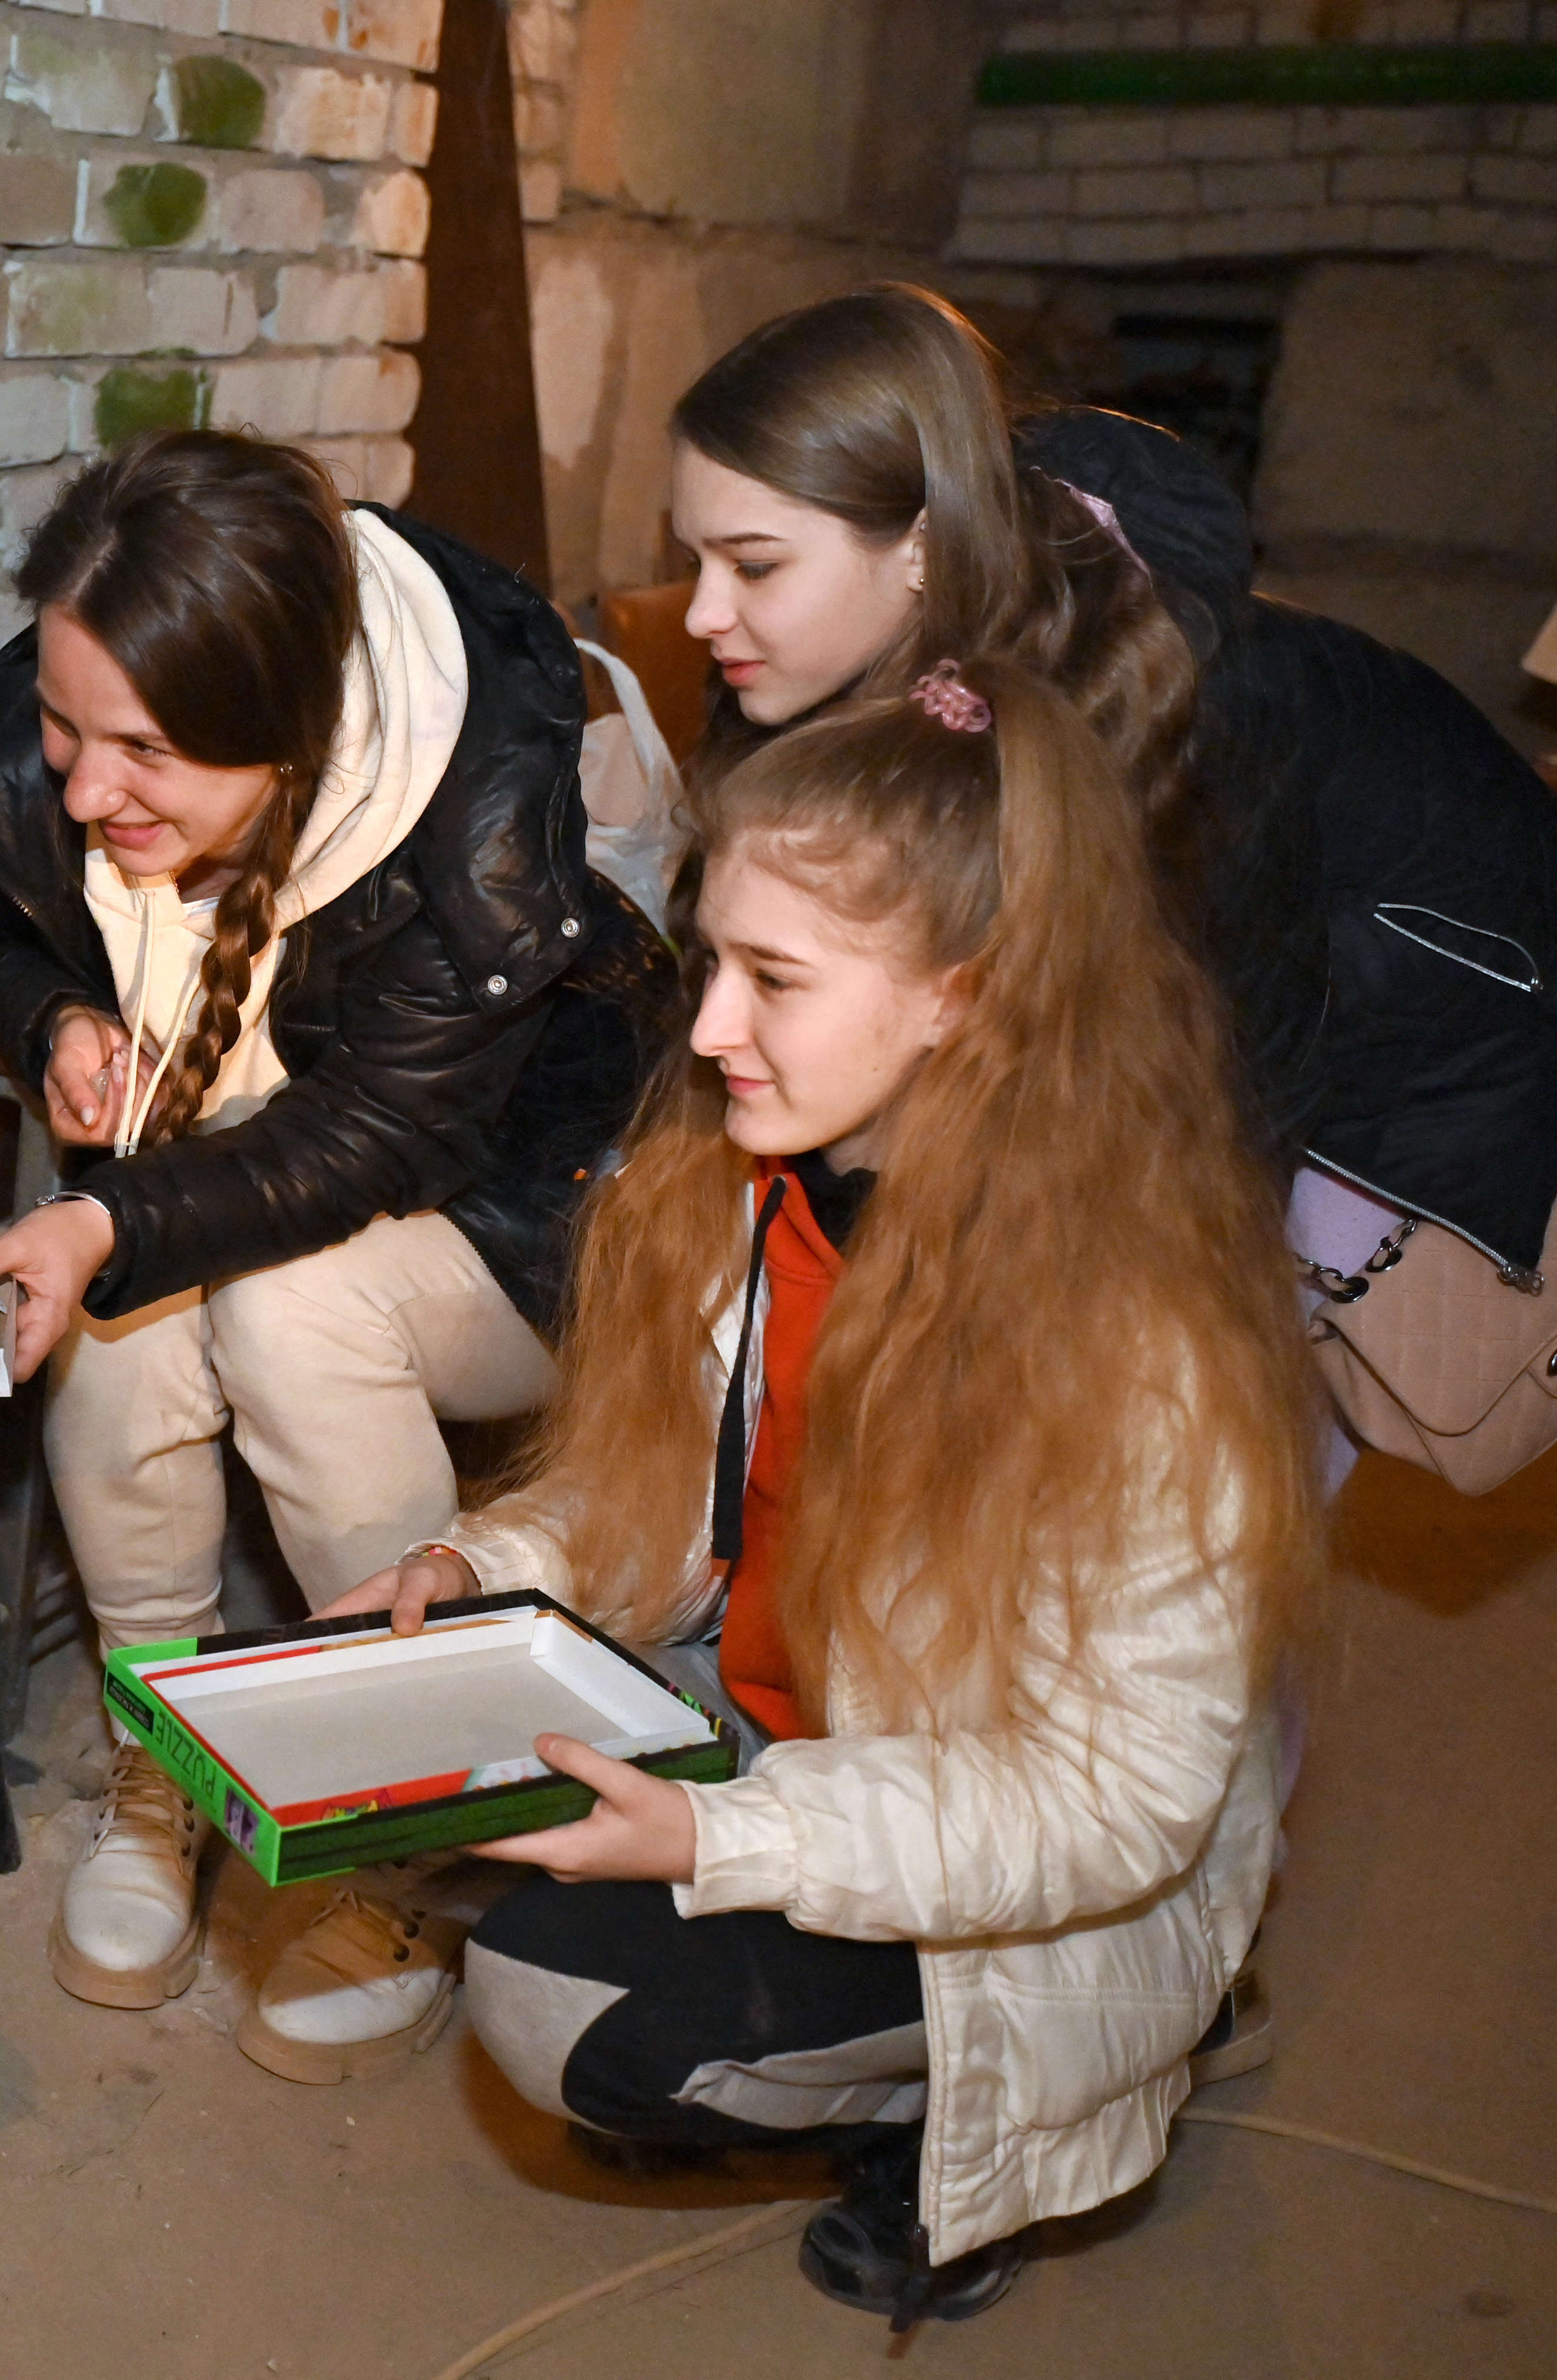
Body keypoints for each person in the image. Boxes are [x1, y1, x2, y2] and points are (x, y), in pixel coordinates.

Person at [330, 656, 1325, 2325]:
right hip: (800, 1728)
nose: (711, 1027)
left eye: (774, 980)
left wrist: (722, 1835)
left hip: (1027, 1850)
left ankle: (974, 2124)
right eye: (714, 959)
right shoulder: (766, 1181)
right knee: (427, 1774)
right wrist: (476, 1563)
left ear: (963, 998)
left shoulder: (1134, 1350)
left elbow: (1109, 1803)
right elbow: (658, 1503)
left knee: (555, 2009)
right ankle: (811, 2013)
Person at [0, 428, 674, 2080]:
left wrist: (112, 1212)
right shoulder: (104, 653)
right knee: (133, 1304)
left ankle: (412, 1826)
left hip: (517, 1211)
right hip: (249, 1166)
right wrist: (53, 1013)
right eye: (67, 730)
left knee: (278, 1297)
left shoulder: (468, 803)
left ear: (295, 732)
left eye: (148, 754)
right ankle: (162, 1749)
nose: (84, 789)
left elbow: (382, 1137)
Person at [666, 284, 1557, 1368]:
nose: (703, 613)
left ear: (924, 546)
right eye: (692, 560)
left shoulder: (1171, 708)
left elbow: (1223, 1095)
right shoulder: (816, 665)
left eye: (754, 565)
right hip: (1255, 998)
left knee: (1197, 1380)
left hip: (1430, 1008)